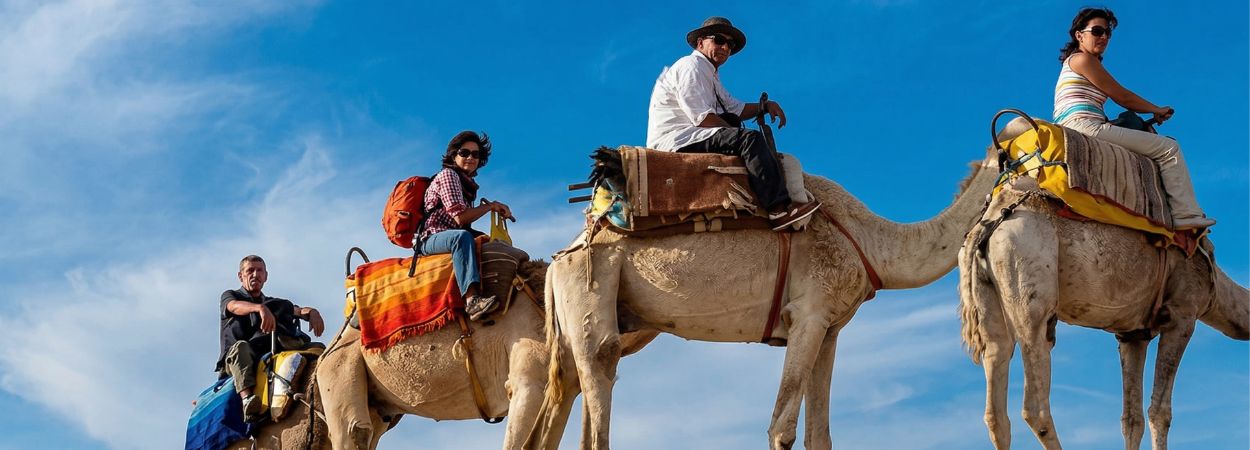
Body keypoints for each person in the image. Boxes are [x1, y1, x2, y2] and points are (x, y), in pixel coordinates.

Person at [646, 16, 820, 231]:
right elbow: (703, 118)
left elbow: (734, 108)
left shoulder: (710, 73)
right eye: (719, 40)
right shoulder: (691, 66)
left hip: (692, 133)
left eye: (730, 44)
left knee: (736, 125)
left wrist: (764, 106)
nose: (725, 47)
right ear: (701, 43)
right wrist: (740, 137)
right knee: (750, 139)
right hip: (678, 138)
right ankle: (778, 209)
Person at [1053, 7, 1214, 229]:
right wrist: (1155, 109)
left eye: (1107, 33)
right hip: (1085, 126)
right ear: (1079, 35)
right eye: (1097, 31)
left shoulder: (1075, 63)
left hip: (1076, 125)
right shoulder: (1083, 60)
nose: (1104, 37)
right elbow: (1123, 97)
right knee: (1169, 148)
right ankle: (1185, 214)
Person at [217, 255, 324, 422]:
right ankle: (247, 400)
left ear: (266, 276)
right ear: (241, 276)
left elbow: (298, 310)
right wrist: (258, 308)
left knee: (317, 347)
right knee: (241, 347)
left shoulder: (273, 303)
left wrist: (312, 312)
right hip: (237, 358)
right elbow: (233, 307)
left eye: (259, 271)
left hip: (266, 351)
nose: (255, 274)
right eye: (250, 270)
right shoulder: (231, 296)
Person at [420, 130, 514, 321]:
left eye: (476, 154)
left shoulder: (467, 185)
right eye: (464, 153)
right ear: (454, 155)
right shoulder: (449, 176)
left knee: (488, 243)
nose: (470, 157)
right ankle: (472, 300)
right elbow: (460, 219)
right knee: (461, 237)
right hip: (431, 238)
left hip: (449, 235)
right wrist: (490, 206)